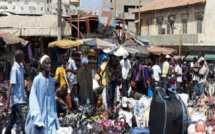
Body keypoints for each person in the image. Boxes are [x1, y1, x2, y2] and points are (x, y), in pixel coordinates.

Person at [25, 55, 60, 134]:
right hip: (40, 119)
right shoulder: (37, 79)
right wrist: (37, 119)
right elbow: (33, 100)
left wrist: (55, 119)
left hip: (50, 119)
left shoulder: (51, 81)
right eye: (47, 63)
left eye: (50, 63)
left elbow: (52, 102)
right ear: (42, 65)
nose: (49, 65)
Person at [5, 50, 29, 134]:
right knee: (23, 118)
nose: (23, 57)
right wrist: (8, 102)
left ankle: (7, 132)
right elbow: (11, 85)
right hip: (16, 100)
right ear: (18, 57)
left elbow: (28, 72)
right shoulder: (14, 69)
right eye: (22, 56)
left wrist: (24, 62)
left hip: (22, 98)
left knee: (13, 118)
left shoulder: (20, 67)